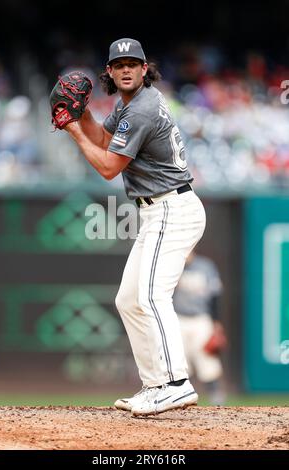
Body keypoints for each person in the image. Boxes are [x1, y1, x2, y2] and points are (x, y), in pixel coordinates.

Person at [51, 38, 206, 416]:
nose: (125, 69)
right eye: (118, 64)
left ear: (143, 68)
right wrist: (83, 115)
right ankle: (155, 384)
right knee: (128, 300)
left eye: (131, 63)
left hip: (173, 208)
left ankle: (176, 384)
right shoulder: (129, 105)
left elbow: (107, 167)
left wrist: (72, 128)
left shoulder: (141, 110)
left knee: (152, 296)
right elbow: (106, 140)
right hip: (159, 210)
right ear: (109, 71)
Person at [173, 251, 227, 405]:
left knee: (208, 362)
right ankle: (180, 400)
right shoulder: (173, 265)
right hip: (178, 319)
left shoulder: (206, 266)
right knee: (180, 364)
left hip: (201, 319)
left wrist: (216, 320)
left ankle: (217, 399)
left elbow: (215, 295)